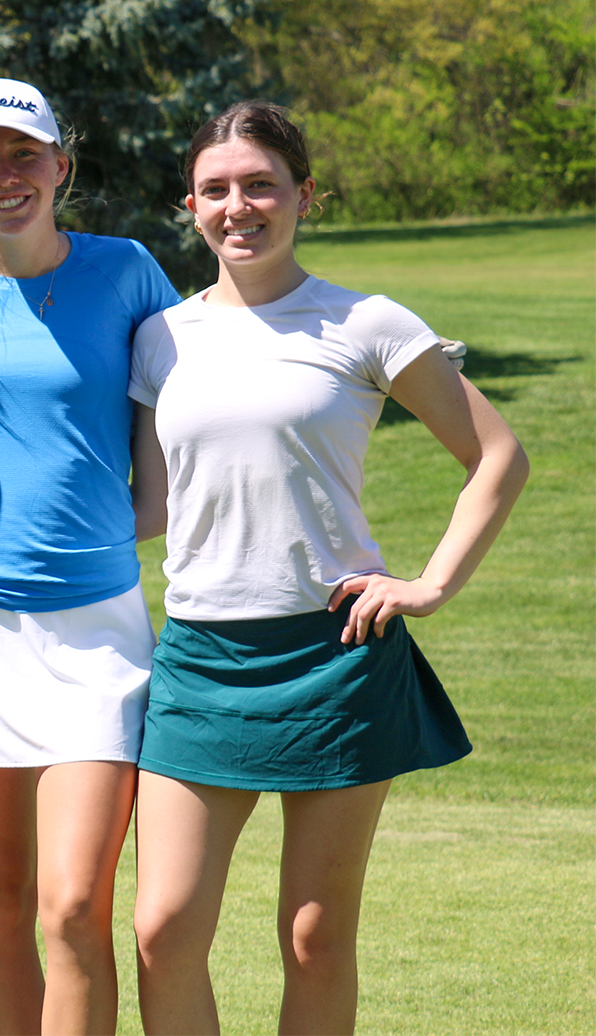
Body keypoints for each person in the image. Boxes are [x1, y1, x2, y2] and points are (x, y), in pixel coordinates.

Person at [127, 101, 527, 1036]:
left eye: (261, 184)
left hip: (339, 653)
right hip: (200, 661)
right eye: (217, 189)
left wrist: (427, 584)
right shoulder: (162, 339)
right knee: (162, 931)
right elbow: (152, 506)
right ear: (190, 206)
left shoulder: (368, 322)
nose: (240, 206)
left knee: (313, 936)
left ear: (303, 195)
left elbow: (497, 457)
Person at [0, 77, 184, 1036]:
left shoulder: (129, 268)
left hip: (100, 635)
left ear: (62, 164)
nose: (4, 175)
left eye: (24, 155)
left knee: (71, 907)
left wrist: (132, 516)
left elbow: (187, 410)